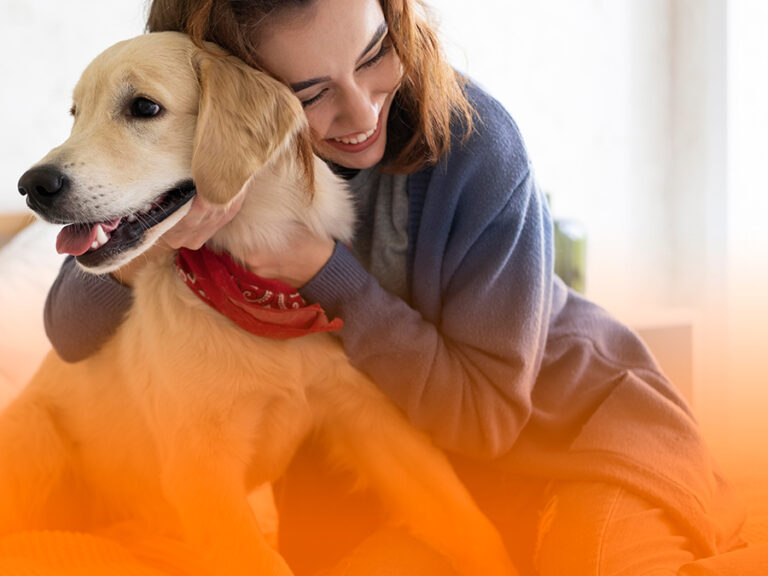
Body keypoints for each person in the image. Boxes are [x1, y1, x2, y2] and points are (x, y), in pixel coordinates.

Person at [43, 0, 747, 573]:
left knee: (597, 564)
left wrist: (325, 272)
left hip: (581, 439)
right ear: (236, 99)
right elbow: (69, 332)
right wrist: (155, 237)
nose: (360, 112)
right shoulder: (205, 174)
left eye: (375, 51)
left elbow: (488, 420)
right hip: (444, 485)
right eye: (311, 93)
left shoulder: (476, 143)